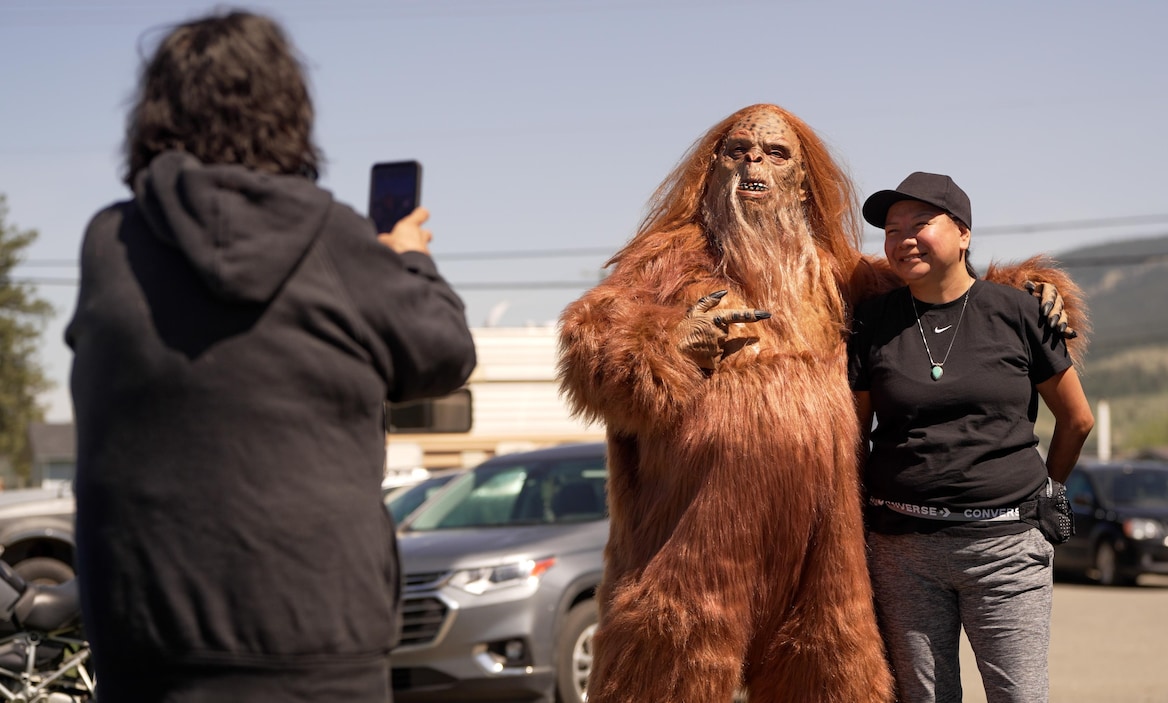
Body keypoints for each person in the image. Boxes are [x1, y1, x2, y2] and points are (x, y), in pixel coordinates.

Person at [557, 104, 1083, 703]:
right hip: (695, 539)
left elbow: (947, 298)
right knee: (672, 669)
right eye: (738, 149)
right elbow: (591, 340)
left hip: (821, 548)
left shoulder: (841, 277)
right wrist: (671, 341)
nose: (754, 158)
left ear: (802, 181)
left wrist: (1031, 296)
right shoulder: (668, 263)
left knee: (827, 674)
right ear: (711, 170)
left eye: (776, 152)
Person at [65, 10, 476, 702]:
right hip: (318, 641)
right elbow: (443, 353)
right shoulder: (335, 242)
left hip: (147, 645)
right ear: (288, 113)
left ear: (155, 116)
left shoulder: (110, 246)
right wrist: (410, 264)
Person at [850, 172, 1095, 703]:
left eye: (920, 223)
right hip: (903, 552)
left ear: (962, 234)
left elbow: (1077, 420)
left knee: (1019, 695)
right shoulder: (871, 322)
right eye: (892, 230)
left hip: (1006, 547)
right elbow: (854, 430)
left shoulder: (1021, 312)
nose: (903, 238)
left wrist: (1050, 491)